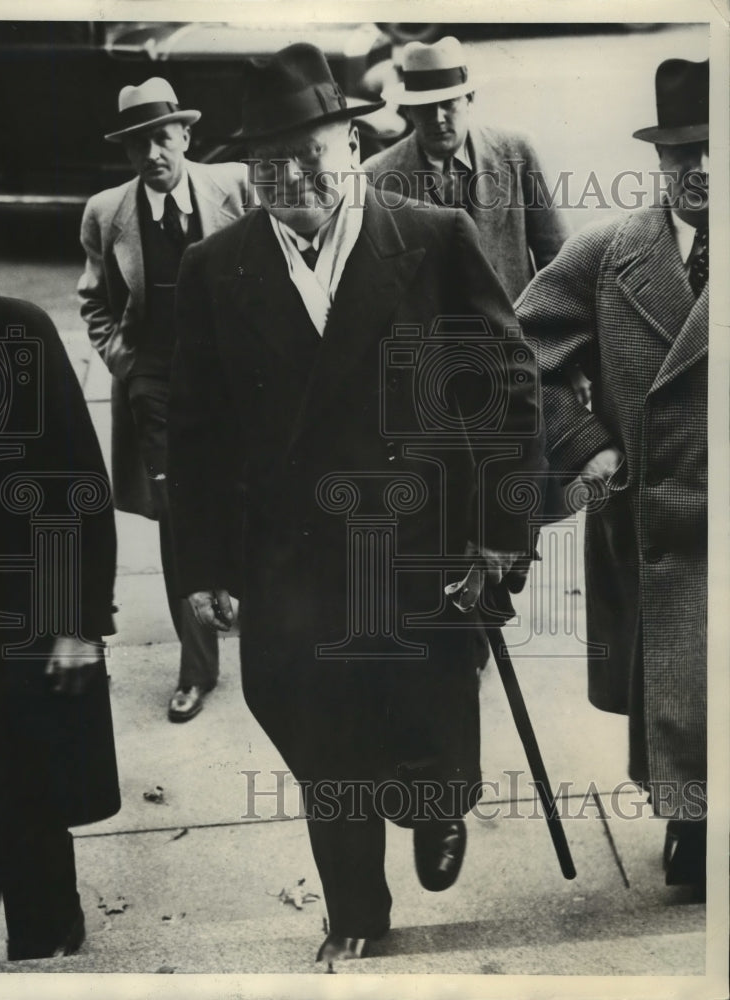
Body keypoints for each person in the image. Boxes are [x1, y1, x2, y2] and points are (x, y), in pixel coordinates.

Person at [168, 43, 545, 962]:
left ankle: (437, 796)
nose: (290, 176)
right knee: (317, 732)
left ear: (351, 142)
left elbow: (507, 386)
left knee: (423, 713)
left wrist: (501, 535)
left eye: (311, 152)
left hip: (419, 543)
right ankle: (355, 913)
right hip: (290, 560)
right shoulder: (215, 269)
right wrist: (205, 567)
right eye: (267, 161)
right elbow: (196, 433)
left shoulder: (429, 238)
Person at [515, 58, 709, 893]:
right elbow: (519, 351)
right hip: (657, 525)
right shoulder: (606, 255)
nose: (699, 168)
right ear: (658, 161)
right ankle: (692, 825)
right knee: (684, 685)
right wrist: (584, 441)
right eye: (680, 151)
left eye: (717, 147)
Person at [78, 77, 248, 722]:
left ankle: (252, 618)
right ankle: (196, 668)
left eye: (161, 136)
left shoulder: (232, 188)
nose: (152, 152)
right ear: (126, 153)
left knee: (248, 495)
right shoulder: (105, 212)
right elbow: (93, 298)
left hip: (234, 378)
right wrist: (124, 361)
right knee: (180, 517)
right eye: (137, 143)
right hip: (155, 380)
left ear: (185, 135)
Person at [0, 295, 120, 959]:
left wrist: (79, 625)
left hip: (16, 608)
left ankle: (45, 935)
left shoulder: (14, 329)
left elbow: (76, 483)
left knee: (23, 786)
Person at [362, 36, 568, 302]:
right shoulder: (377, 176)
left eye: (449, 103)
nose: (438, 118)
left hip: (512, 335)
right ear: (409, 111)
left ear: (469, 98)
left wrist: (544, 339)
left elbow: (559, 261)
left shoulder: (518, 151)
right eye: (424, 107)